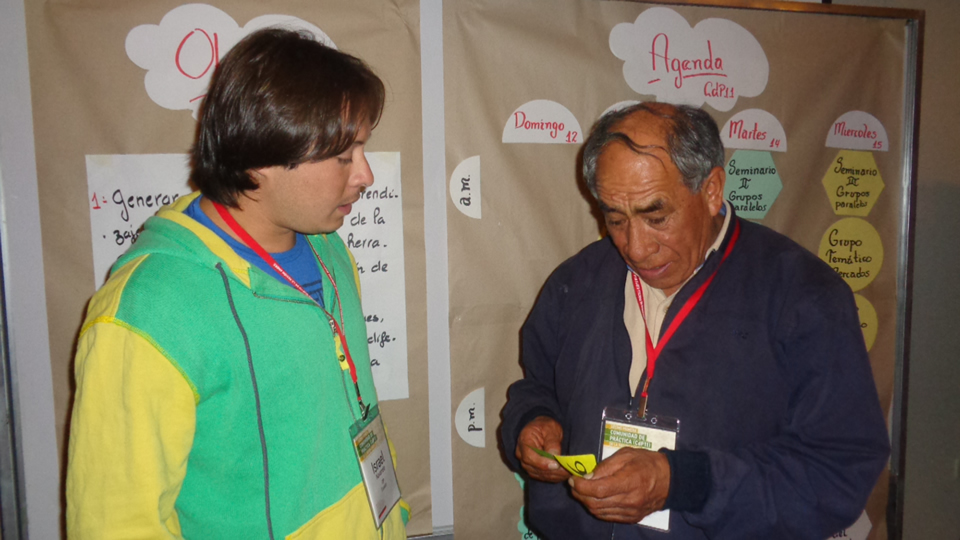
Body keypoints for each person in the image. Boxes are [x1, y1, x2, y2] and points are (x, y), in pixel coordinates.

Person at [67, 28, 409, 539]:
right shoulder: (147, 311)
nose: (365, 175)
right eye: (344, 156)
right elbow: (115, 524)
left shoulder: (330, 252)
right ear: (261, 157)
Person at [500, 102, 889, 539]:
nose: (636, 248)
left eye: (656, 217)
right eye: (615, 219)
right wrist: (532, 421)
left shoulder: (801, 295)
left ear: (711, 190)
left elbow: (838, 471)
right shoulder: (576, 282)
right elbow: (537, 386)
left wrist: (685, 482)